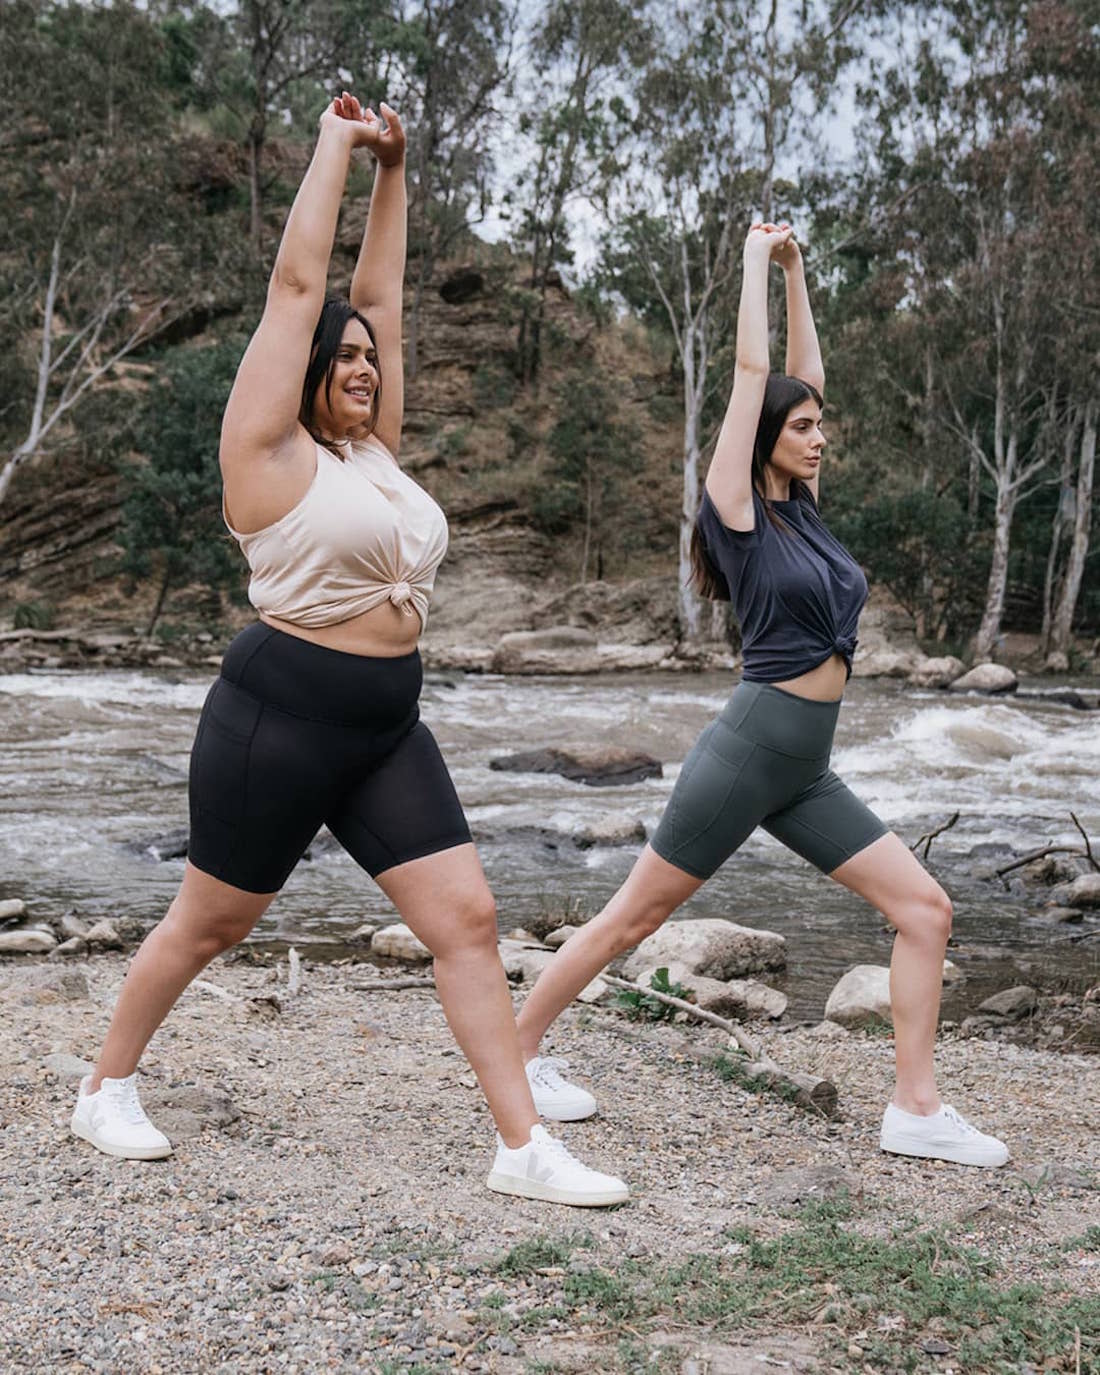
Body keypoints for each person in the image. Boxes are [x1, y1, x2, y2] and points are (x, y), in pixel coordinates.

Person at [70, 93, 628, 1207]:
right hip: (276, 719)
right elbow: (304, 291)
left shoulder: (374, 455)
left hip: (383, 724)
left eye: (376, 360)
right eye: (349, 358)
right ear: (304, 368)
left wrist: (395, 170)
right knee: (214, 920)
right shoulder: (266, 450)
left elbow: (372, 297)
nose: (368, 366)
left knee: (466, 921)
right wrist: (334, 147)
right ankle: (104, 1087)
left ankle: (520, 1147)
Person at [516, 222, 1009, 1169]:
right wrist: (748, 260)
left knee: (926, 912)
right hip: (750, 751)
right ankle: (518, 1048)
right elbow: (754, 379)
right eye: (803, 428)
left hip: (806, 768)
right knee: (633, 917)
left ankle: (914, 1107)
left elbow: (796, 372)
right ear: (764, 443)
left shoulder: (805, 513)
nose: (820, 437)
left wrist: (797, 273)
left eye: (821, 426)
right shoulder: (736, 514)